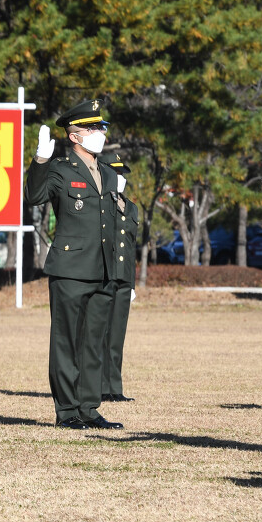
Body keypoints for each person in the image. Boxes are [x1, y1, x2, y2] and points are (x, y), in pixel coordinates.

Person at [24, 98, 123, 430]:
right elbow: (34, 196)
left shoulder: (108, 173)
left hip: (103, 268)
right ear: (75, 136)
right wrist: (39, 160)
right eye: (92, 129)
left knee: (94, 342)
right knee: (66, 341)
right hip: (70, 267)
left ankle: (88, 408)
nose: (99, 134)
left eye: (100, 128)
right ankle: (67, 411)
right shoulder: (60, 169)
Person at [101, 153, 138, 404]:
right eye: (116, 173)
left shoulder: (131, 207)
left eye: (123, 174)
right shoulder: (100, 204)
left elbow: (131, 246)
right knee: (100, 335)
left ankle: (115, 387)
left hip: (123, 279)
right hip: (104, 275)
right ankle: (99, 387)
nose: (120, 178)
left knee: (116, 337)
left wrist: (132, 284)